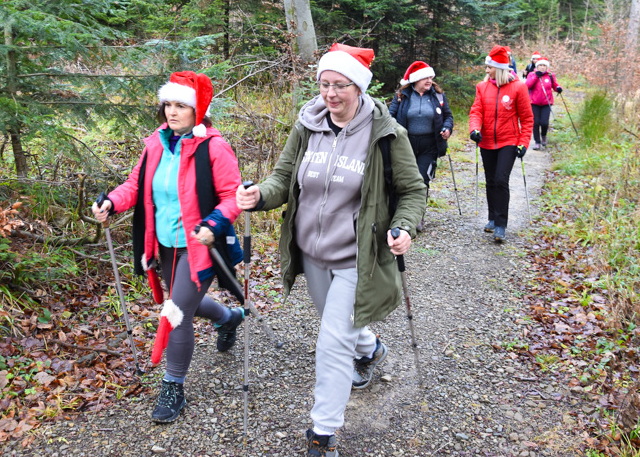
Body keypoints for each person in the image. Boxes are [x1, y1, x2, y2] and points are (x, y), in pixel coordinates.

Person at [236, 43, 426, 457]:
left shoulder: (386, 134)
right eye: (325, 84)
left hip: (357, 256)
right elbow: (283, 178)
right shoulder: (308, 126)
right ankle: (372, 349)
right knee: (339, 326)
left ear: (358, 87)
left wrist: (403, 225)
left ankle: (323, 435)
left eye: (340, 85)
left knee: (331, 341)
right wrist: (259, 196)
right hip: (312, 254)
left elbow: (412, 190)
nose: (331, 93)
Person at [92, 71, 245, 424]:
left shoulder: (213, 147)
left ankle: (173, 385)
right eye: (168, 105)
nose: (171, 112)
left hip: (201, 246)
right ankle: (228, 318)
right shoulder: (155, 143)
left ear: (198, 110)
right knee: (178, 301)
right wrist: (112, 203)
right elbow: (135, 184)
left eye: (181, 106)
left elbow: (231, 196)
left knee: (176, 314)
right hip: (164, 245)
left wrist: (212, 223)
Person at [469, 45, 533, 242]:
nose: (486, 70)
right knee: (490, 180)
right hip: (487, 141)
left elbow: (527, 118)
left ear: (500, 68)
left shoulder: (518, 87)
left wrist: (523, 143)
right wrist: (474, 129)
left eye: (489, 67)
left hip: (509, 141)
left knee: (500, 180)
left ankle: (501, 224)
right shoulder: (482, 86)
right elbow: (476, 111)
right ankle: (491, 217)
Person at [388, 61, 454, 231]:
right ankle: (398, 215)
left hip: (429, 145)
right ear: (415, 79)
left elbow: (448, 116)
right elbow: (390, 116)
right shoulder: (401, 96)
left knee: (422, 179)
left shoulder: (438, 96)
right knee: (402, 179)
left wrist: (447, 128)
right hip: (405, 145)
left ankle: (417, 217)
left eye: (430, 77)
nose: (429, 80)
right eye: (425, 77)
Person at [525, 57, 563, 149]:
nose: (542, 67)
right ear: (537, 66)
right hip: (534, 102)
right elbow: (527, 86)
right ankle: (537, 142)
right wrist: (535, 77)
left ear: (547, 67)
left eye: (544, 65)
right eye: (540, 65)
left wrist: (558, 88)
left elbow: (555, 85)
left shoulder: (550, 75)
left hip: (547, 103)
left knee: (544, 123)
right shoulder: (532, 74)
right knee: (535, 123)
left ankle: (544, 136)